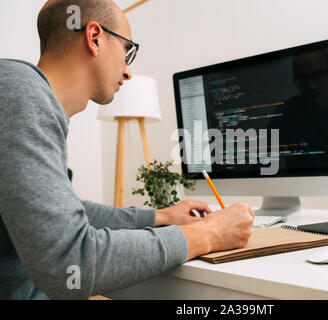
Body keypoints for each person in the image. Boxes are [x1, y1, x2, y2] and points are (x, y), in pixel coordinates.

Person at [0, 0, 254, 300]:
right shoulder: (18, 93)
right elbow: (70, 262)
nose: (128, 71)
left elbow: (68, 213)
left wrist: (161, 217)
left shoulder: (23, 96)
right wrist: (208, 233)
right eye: (127, 50)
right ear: (95, 38)